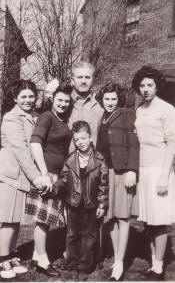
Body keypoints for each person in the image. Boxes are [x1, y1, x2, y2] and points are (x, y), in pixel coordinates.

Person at [132, 66, 175, 281]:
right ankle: (153, 262)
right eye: (142, 85)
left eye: (150, 85)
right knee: (148, 221)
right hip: (143, 170)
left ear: (157, 86)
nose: (146, 89)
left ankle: (159, 268)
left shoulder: (167, 109)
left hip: (160, 170)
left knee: (159, 221)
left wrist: (164, 176)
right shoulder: (139, 110)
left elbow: (172, 143)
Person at [25, 83, 72, 277]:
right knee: (43, 220)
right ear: (53, 99)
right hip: (47, 175)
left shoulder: (61, 118)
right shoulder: (46, 116)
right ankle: (44, 261)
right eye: (60, 100)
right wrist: (44, 174)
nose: (63, 103)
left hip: (56, 175)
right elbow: (36, 143)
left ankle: (37, 256)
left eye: (66, 101)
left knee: (47, 219)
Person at [0, 79, 45, 279]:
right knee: (8, 219)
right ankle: (2, 260)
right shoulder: (11, 118)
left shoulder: (34, 116)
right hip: (11, 175)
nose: (28, 100)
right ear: (16, 99)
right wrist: (36, 177)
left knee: (16, 219)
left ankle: (10, 254)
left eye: (31, 96)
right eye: (23, 96)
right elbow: (21, 150)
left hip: (22, 177)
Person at [96, 82, 139, 281]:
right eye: (107, 99)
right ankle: (116, 257)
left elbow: (134, 143)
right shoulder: (101, 118)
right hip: (106, 173)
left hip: (123, 172)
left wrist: (132, 169)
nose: (111, 102)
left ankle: (120, 262)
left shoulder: (127, 114)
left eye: (114, 99)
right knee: (110, 217)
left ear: (118, 99)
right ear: (102, 100)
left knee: (123, 217)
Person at [58, 121, 109, 281]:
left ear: (90, 138)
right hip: (73, 203)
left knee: (89, 235)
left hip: (91, 204)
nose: (80, 142)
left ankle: (85, 264)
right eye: (76, 140)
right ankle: (72, 263)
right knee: (72, 234)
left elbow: (103, 184)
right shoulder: (70, 159)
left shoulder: (100, 160)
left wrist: (102, 204)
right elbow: (64, 179)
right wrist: (54, 186)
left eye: (83, 138)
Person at [68, 61, 104, 146]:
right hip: (68, 158)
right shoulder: (64, 103)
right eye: (80, 77)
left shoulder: (101, 103)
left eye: (87, 77)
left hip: (94, 157)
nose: (83, 81)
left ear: (93, 79)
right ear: (72, 80)